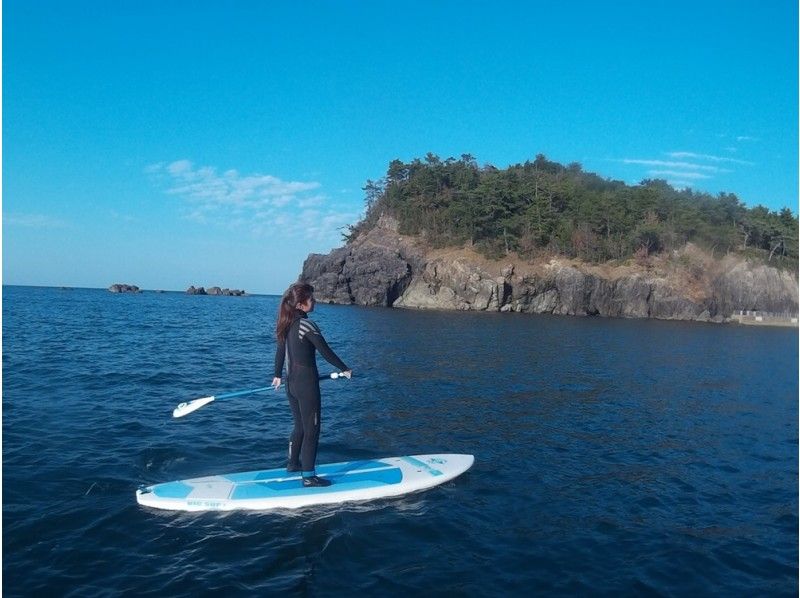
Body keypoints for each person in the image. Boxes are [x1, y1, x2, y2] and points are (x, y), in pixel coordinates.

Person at [272, 282, 351, 487]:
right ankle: (308, 476)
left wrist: (277, 375)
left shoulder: (286, 323)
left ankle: (292, 464)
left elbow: (280, 351)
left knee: (300, 426)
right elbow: (325, 351)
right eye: (311, 299)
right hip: (306, 385)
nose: (314, 301)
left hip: (290, 384)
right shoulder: (307, 325)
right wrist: (344, 368)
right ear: (301, 304)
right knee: (312, 429)